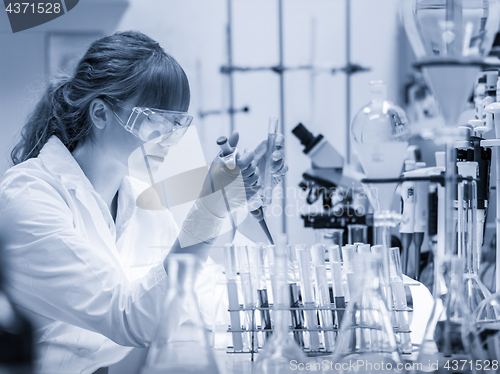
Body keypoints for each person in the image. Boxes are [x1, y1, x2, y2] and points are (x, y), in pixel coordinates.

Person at [0, 31, 287, 374]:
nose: (169, 136)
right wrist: (208, 211)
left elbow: (207, 291)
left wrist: (238, 199)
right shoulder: (28, 197)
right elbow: (131, 318)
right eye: (156, 118)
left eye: (178, 122)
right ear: (101, 114)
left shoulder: (137, 198)